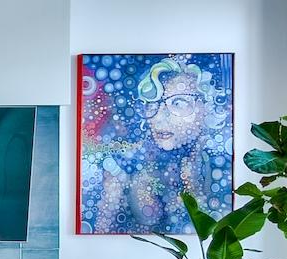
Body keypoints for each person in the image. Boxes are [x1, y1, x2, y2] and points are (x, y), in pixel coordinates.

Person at [85, 54, 230, 234]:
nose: (160, 117)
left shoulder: (221, 167)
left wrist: (193, 185)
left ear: (206, 107)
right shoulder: (122, 165)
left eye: (178, 102)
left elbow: (218, 235)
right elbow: (101, 232)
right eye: (153, 104)